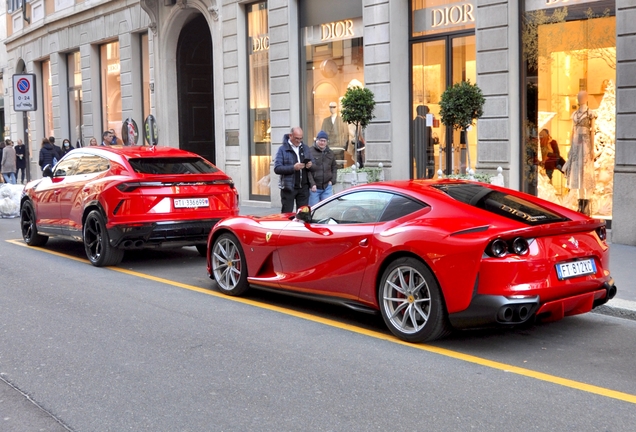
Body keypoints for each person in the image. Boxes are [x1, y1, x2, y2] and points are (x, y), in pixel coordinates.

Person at [563, 90, 596, 215]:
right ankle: (580, 204)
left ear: (586, 98)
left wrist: (592, 148)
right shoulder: (574, 114)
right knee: (577, 174)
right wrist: (571, 149)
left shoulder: (590, 114)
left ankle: (586, 204)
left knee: (585, 173)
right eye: (578, 97)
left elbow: (592, 131)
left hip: (586, 145)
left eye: (581, 96)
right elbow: (572, 132)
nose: (579, 98)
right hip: (576, 146)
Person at [274, 127, 315, 213]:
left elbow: (314, 165)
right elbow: (277, 168)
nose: (298, 141)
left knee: (303, 214)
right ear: (290, 136)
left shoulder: (305, 148)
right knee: (287, 213)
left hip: (304, 187)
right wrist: (293, 168)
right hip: (289, 187)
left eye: (300, 138)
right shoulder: (282, 149)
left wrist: (310, 165)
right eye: (296, 138)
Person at [308, 130, 337, 207]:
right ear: (316, 140)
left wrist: (333, 180)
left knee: (328, 209)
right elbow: (307, 170)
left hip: (327, 187)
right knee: (313, 210)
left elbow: (334, 167)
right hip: (314, 188)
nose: (322, 143)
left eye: (324, 141)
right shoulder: (310, 151)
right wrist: (312, 184)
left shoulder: (330, 153)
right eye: (321, 140)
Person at [413, 105, 435, 179]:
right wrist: (434, 140)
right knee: (428, 168)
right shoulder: (424, 123)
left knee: (420, 168)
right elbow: (427, 137)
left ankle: (421, 179)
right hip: (426, 149)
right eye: (427, 112)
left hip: (418, 149)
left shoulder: (413, 122)